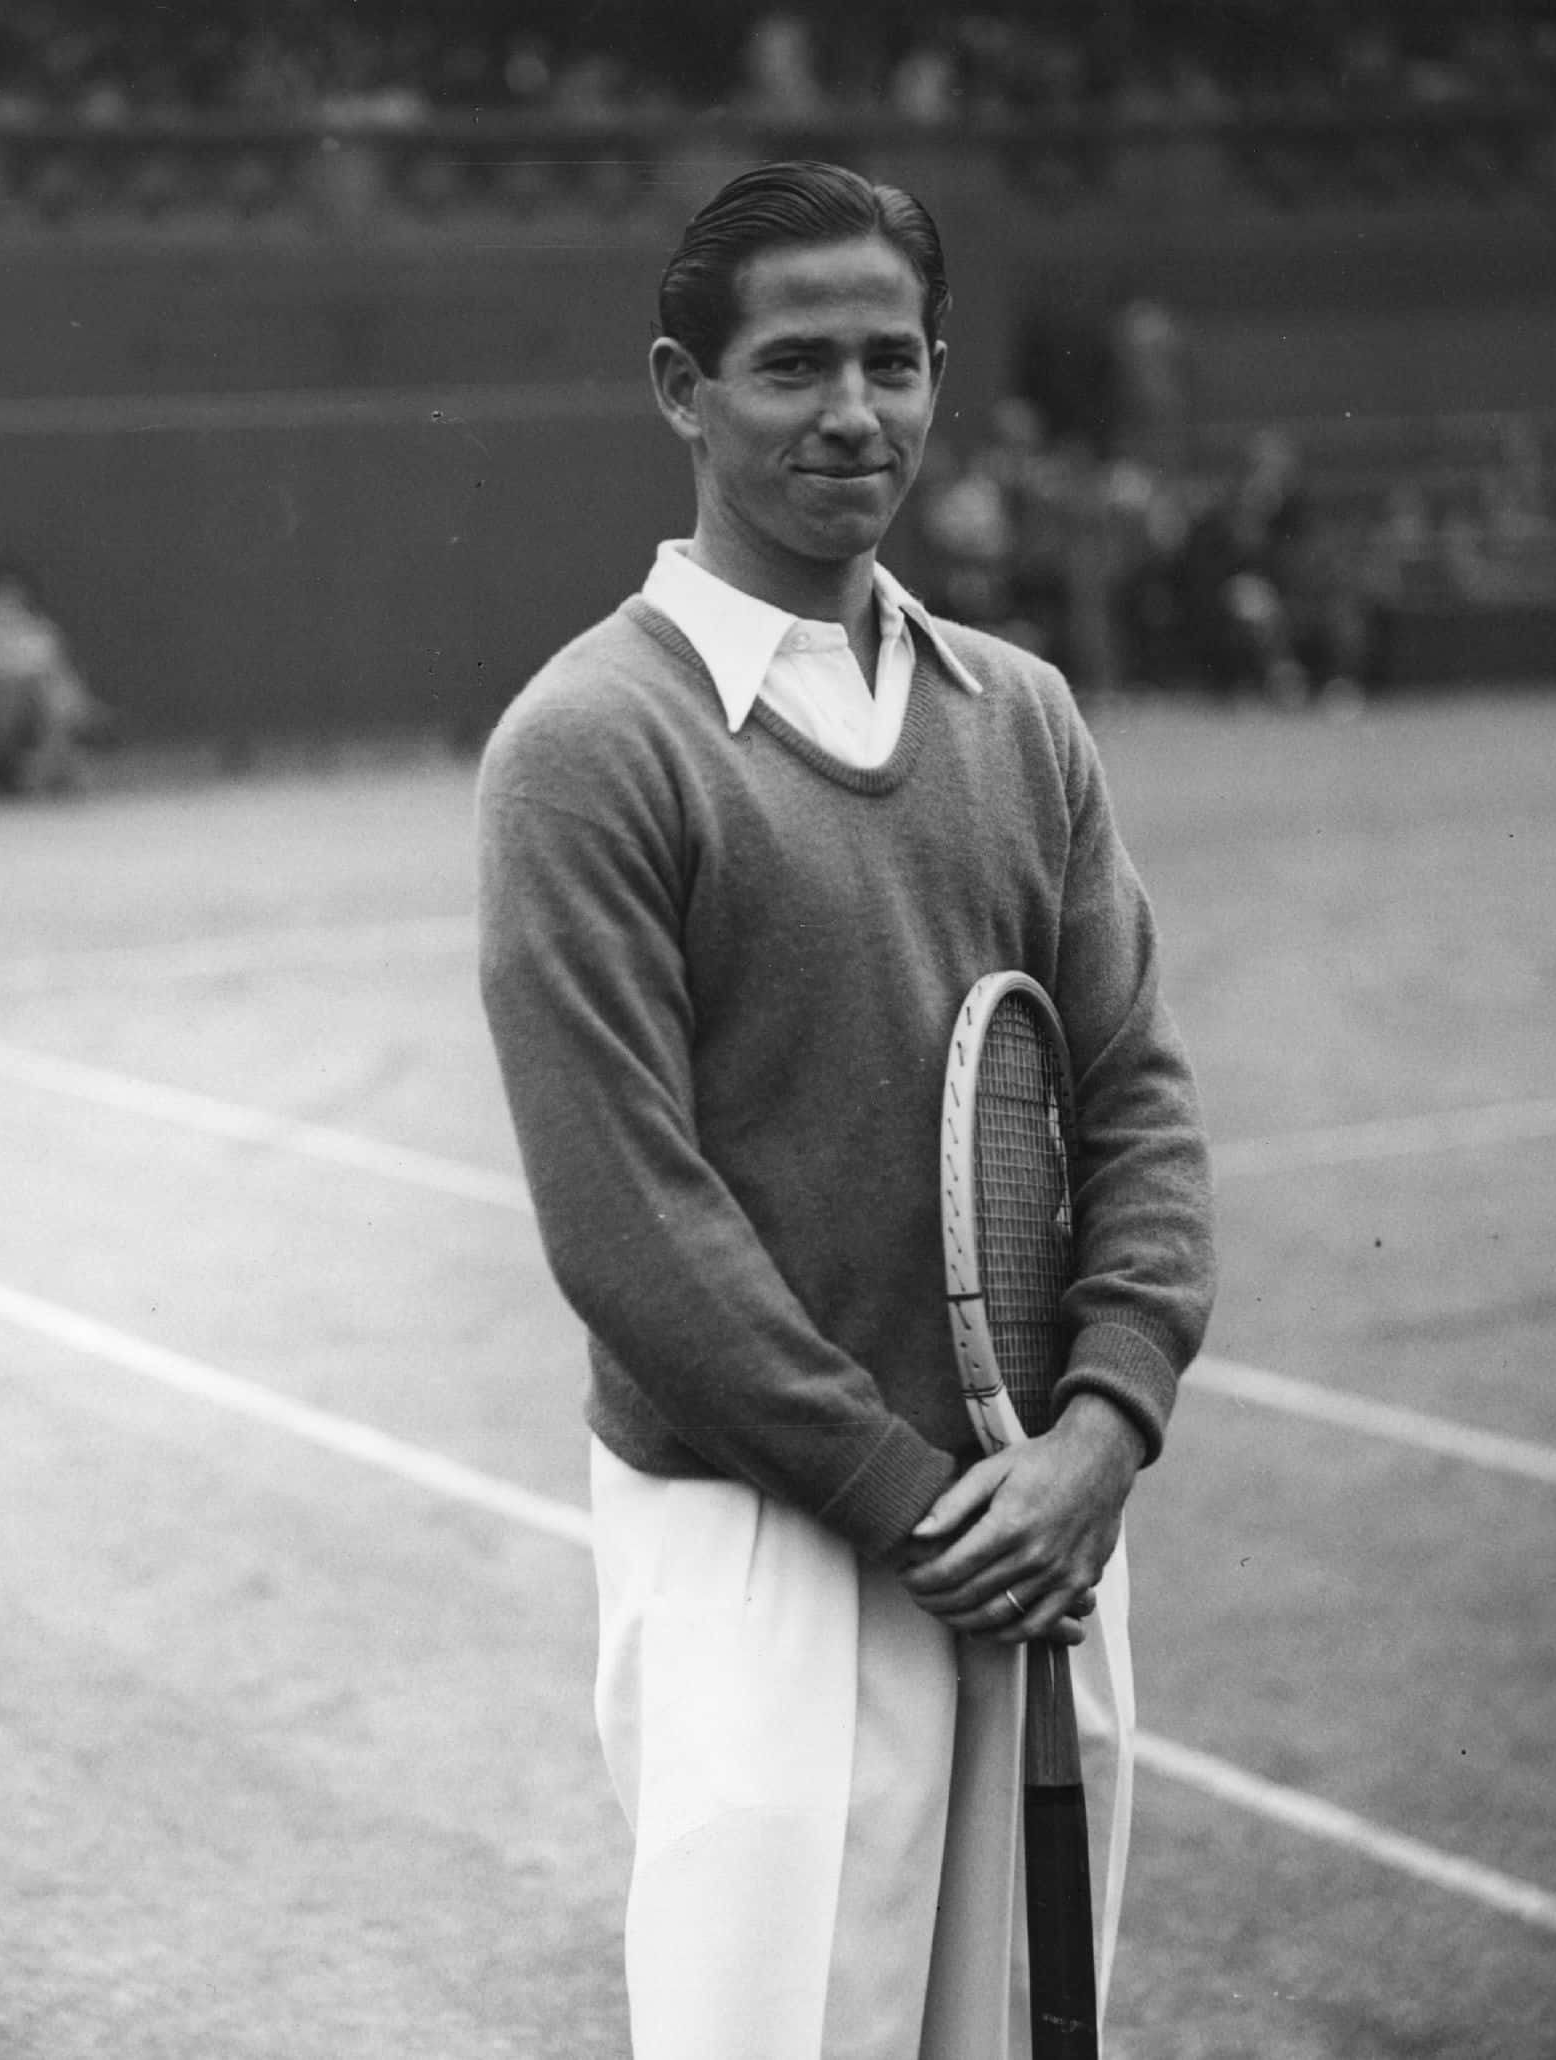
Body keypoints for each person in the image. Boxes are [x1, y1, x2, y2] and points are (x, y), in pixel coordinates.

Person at [474, 161, 1216, 2059]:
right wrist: (912, 1504)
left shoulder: (1025, 717)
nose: (854, 414)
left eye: (894, 361)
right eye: (794, 365)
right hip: (764, 1546)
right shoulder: (586, 746)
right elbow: (626, 1224)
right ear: (679, 390)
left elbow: (1136, 1097)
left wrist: (1104, 1432)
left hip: (1041, 1525)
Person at [0, 562, 113, 794]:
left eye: (13, 595)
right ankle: (62, 752)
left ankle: (39, 769)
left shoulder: (38, 629)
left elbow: (54, 668)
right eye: (0, 595)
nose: (6, 602)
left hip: (39, 712)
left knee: (54, 695)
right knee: (43, 693)